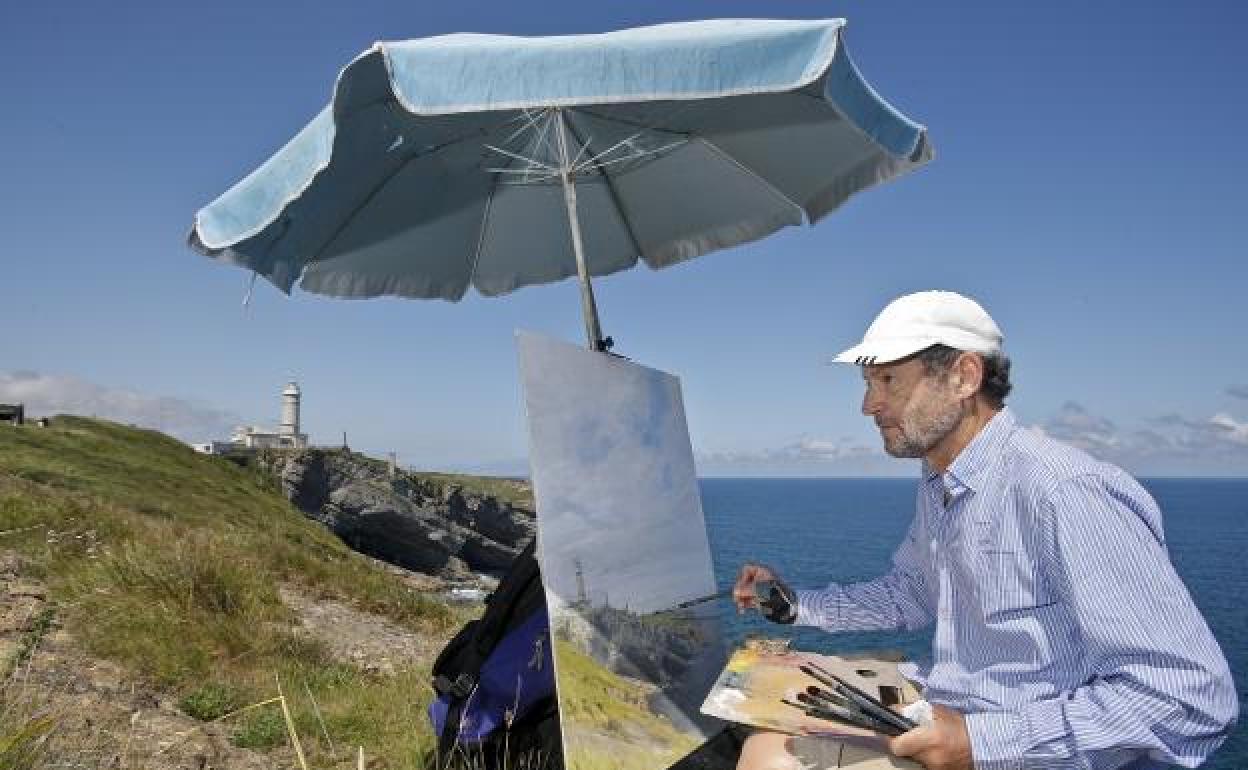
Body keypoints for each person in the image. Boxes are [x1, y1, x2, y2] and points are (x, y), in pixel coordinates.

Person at [733, 291, 1238, 770]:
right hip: (958, 719)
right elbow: (911, 593)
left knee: (771, 758)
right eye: (868, 385)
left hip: (1023, 752)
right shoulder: (942, 482)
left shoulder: (1065, 492)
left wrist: (980, 742)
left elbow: (1189, 698)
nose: (868, 406)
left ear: (964, 377)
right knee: (766, 723)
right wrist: (795, 606)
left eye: (887, 381)